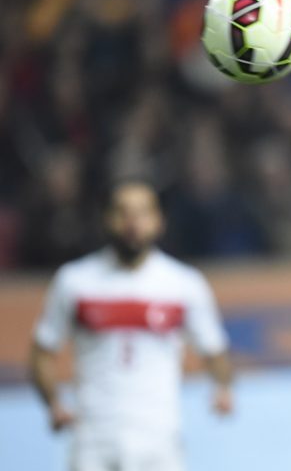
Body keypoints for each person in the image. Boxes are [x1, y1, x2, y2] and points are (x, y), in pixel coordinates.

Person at [29, 180, 233, 471]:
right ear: (106, 219)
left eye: (143, 212)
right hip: (92, 438)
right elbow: (43, 350)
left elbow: (214, 349)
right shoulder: (75, 281)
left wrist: (222, 388)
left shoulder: (183, 284)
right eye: (122, 212)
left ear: (159, 221)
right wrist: (53, 403)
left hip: (159, 438)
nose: (132, 222)